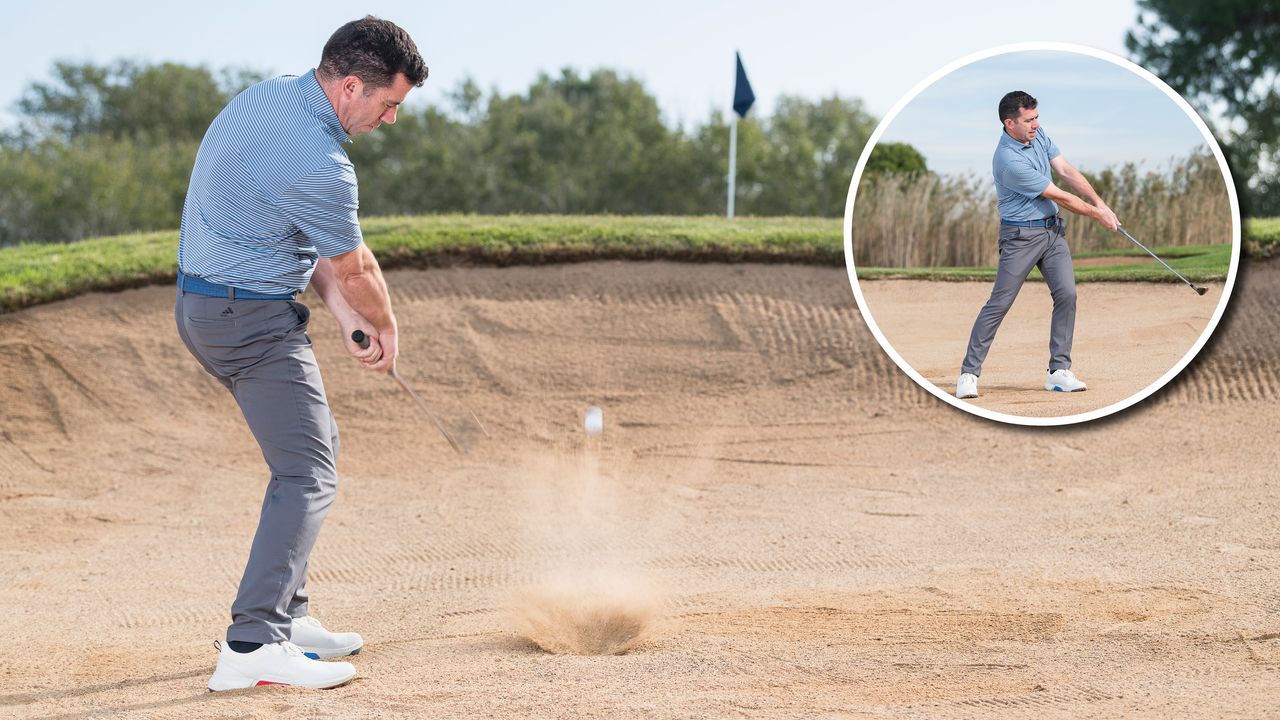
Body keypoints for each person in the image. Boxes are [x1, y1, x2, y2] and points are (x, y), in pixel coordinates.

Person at [173, 16, 427, 691]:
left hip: (215, 303)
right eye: (389, 103)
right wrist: (384, 322)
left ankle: (289, 614)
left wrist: (345, 316)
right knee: (308, 471)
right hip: (246, 319)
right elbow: (355, 267)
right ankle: (253, 643)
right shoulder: (320, 160)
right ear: (350, 87)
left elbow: (297, 235)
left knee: (311, 454)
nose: (392, 118)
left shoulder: (270, 100)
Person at [956, 91, 1119, 400]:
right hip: (1020, 237)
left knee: (1067, 294)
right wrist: (1098, 215)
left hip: (1052, 233)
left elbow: (1067, 170)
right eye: (1028, 120)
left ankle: (1058, 371)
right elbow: (1059, 194)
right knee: (1000, 303)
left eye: (1036, 117)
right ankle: (969, 373)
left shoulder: (1038, 135)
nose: (1036, 124)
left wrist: (1101, 203)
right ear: (1009, 123)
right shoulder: (1008, 160)